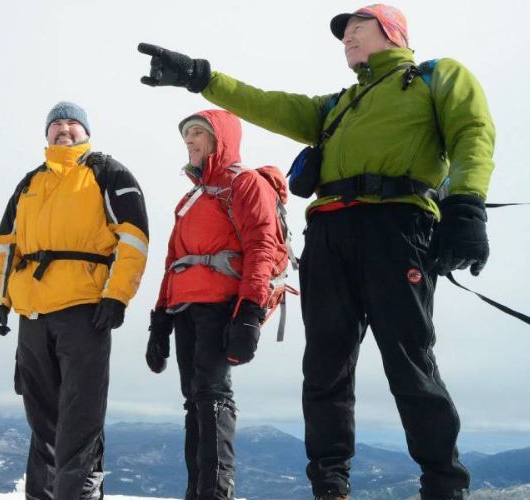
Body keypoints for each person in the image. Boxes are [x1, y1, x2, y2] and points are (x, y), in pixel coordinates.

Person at [137, 4, 492, 500]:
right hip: (328, 234)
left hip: (397, 225)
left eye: (357, 29)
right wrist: (203, 77)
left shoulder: (435, 77)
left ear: (393, 33)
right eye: (343, 34)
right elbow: (269, 104)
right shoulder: (338, 105)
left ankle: (443, 485)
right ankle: (329, 486)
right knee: (324, 365)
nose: (347, 39)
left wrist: (467, 204)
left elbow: (473, 132)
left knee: (408, 359)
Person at [0, 101, 149, 499]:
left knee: (81, 419)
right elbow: (5, 246)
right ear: (46, 133)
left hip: (84, 311)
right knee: (42, 421)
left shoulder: (108, 173)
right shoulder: (29, 183)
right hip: (33, 315)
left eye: (72, 122)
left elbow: (134, 238)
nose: (64, 128)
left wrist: (118, 295)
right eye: (56, 123)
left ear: (86, 131)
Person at [146, 109, 290, 500]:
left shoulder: (243, 184)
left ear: (220, 138)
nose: (190, 140)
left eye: (197, 133)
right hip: (185, 310)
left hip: (222, 305)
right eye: (186, 135)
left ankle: (215, 493)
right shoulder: (191, 199)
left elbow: (262, 246)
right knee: (194, 399)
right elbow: (172, 262)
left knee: (211, 397)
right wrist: (159, 321)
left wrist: (249, 312)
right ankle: (198, 491)